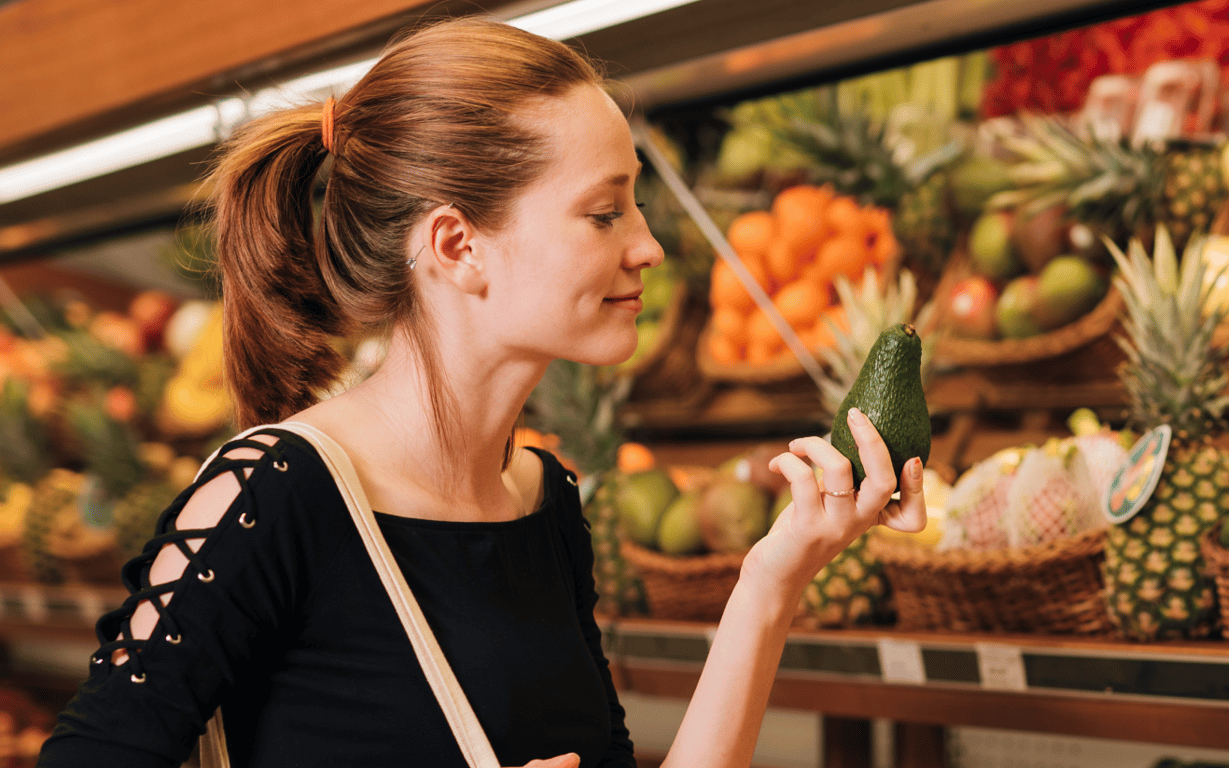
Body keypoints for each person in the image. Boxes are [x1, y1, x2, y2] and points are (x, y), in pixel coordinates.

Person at [37, 16, 925, 768]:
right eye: (604, 210)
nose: (648, 246)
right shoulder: (273, 494)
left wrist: (772, 582)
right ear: (458, 246)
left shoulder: (546, 502)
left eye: (638, 206)